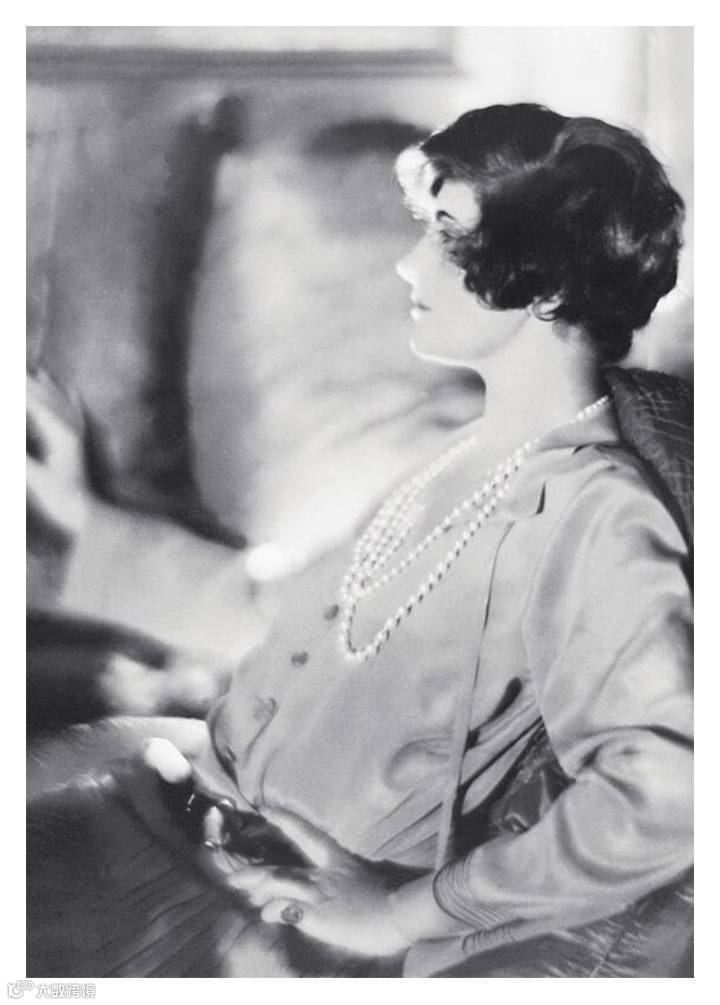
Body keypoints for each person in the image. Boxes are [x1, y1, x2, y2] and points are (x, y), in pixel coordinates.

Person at [26, 103, 692, 978]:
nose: (408, 262)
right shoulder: (459, 455)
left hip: (254, 918)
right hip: (173, 802)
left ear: (550, 288)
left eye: (446, 235)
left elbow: (668, 791)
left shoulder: (597, 513)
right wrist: (87, 519)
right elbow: (279, 612)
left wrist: (397, 914)